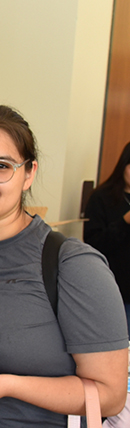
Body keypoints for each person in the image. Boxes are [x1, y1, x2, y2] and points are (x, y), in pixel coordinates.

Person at [0, 105, 128, 428]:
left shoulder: (73, 264)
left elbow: (110, 396)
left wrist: (8, 385)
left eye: (1, 166)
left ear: (29, 173)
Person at [84, 141, 130, 332]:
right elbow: (93, 244)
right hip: (116, 290)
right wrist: (124, 222)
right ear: (123, 166)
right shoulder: (102, 198)